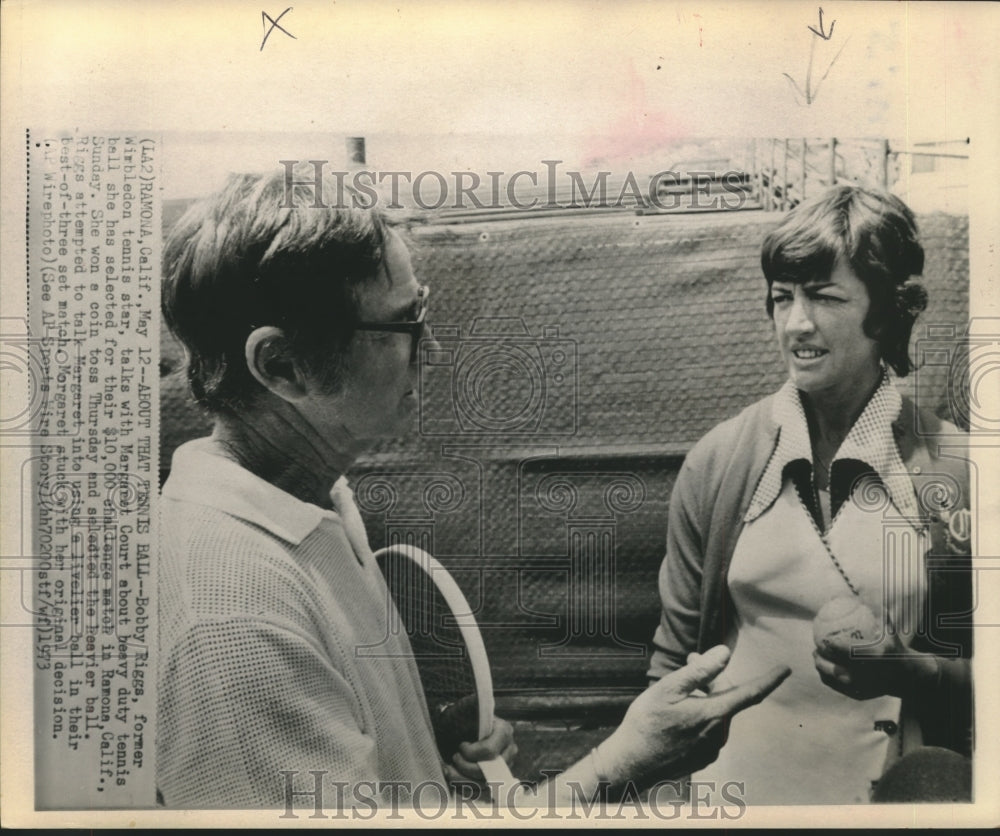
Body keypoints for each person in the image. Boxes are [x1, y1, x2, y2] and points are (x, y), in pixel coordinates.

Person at [157, 167, 790, 810]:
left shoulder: (314, 494)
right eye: (405, 326)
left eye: (422, 309)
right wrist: (624, 765)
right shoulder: (233, 623)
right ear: (282, 365)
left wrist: (419, 756)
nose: (430, 353)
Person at [648, 184, 973, 805]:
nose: (797, 323)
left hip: (881, 803)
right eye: (782, 298)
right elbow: (672, 671)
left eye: (824, 297)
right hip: (729, 801)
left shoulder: (956, 469)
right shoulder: (719, 461)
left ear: (888, 310)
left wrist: (916, 672)